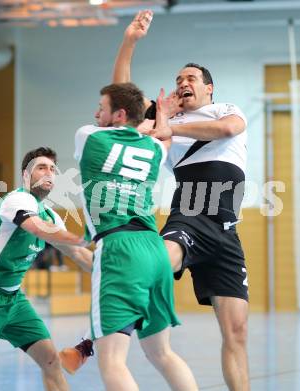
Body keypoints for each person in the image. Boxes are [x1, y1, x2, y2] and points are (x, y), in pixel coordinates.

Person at [112, 10, 250, 391]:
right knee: (158, 261)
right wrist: (130, 41)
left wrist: (168, 126)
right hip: (189, 215)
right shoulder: (164, 117)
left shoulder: (224, 110)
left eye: (190, 78)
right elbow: (121, 99)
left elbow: (227, 130)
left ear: (209, 89)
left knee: (236, 332)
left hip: (226, 233)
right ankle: (114, 320)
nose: (182, 83)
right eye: (177, 80)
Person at [70, 82, 197, 391]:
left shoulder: (88, 136)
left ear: (119, 114)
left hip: (119, 248)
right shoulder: (152, 149)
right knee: (162, 353)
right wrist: (163, 116)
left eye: (102, 107)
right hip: (154, 249)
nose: (96, 112)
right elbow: (163, 138)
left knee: (112, 361)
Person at [0, 146, 93, 391]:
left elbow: (77, 254)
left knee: (51, 360)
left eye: (53, 169)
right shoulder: (17, 199)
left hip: (13, 298)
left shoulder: (51, 216)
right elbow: (35, 227)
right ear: (26, 175)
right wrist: (82, 238)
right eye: (41, 168)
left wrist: (108, 272)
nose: (49, 173)